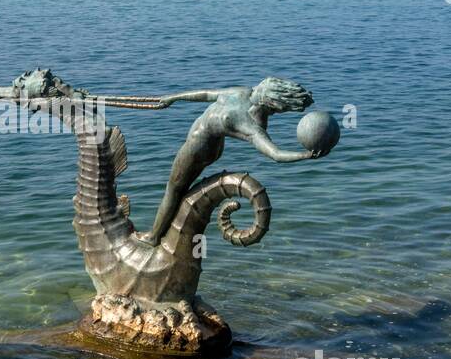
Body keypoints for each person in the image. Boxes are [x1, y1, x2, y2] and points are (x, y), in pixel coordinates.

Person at [107, 77, 329, 244]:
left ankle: (154, 236)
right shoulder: (247, 105)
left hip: (196, 150)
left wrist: (305, 155)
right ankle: (170, 232)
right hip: (210, 149)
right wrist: (173, 98)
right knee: (182, 191)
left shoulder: (246, 116)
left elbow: (275, 154)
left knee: (173, 190)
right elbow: (206, 94)